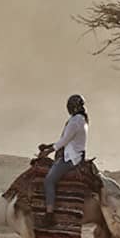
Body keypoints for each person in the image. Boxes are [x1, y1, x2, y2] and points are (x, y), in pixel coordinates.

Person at [43, 94, 89, 224]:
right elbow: (67, 140)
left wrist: (48, 151)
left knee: (49, 181)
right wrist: (48, 146)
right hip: (73, 154)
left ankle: (49, 214)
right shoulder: (81, 119)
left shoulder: (75, 121)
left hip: (71, 158)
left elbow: (64, 141)